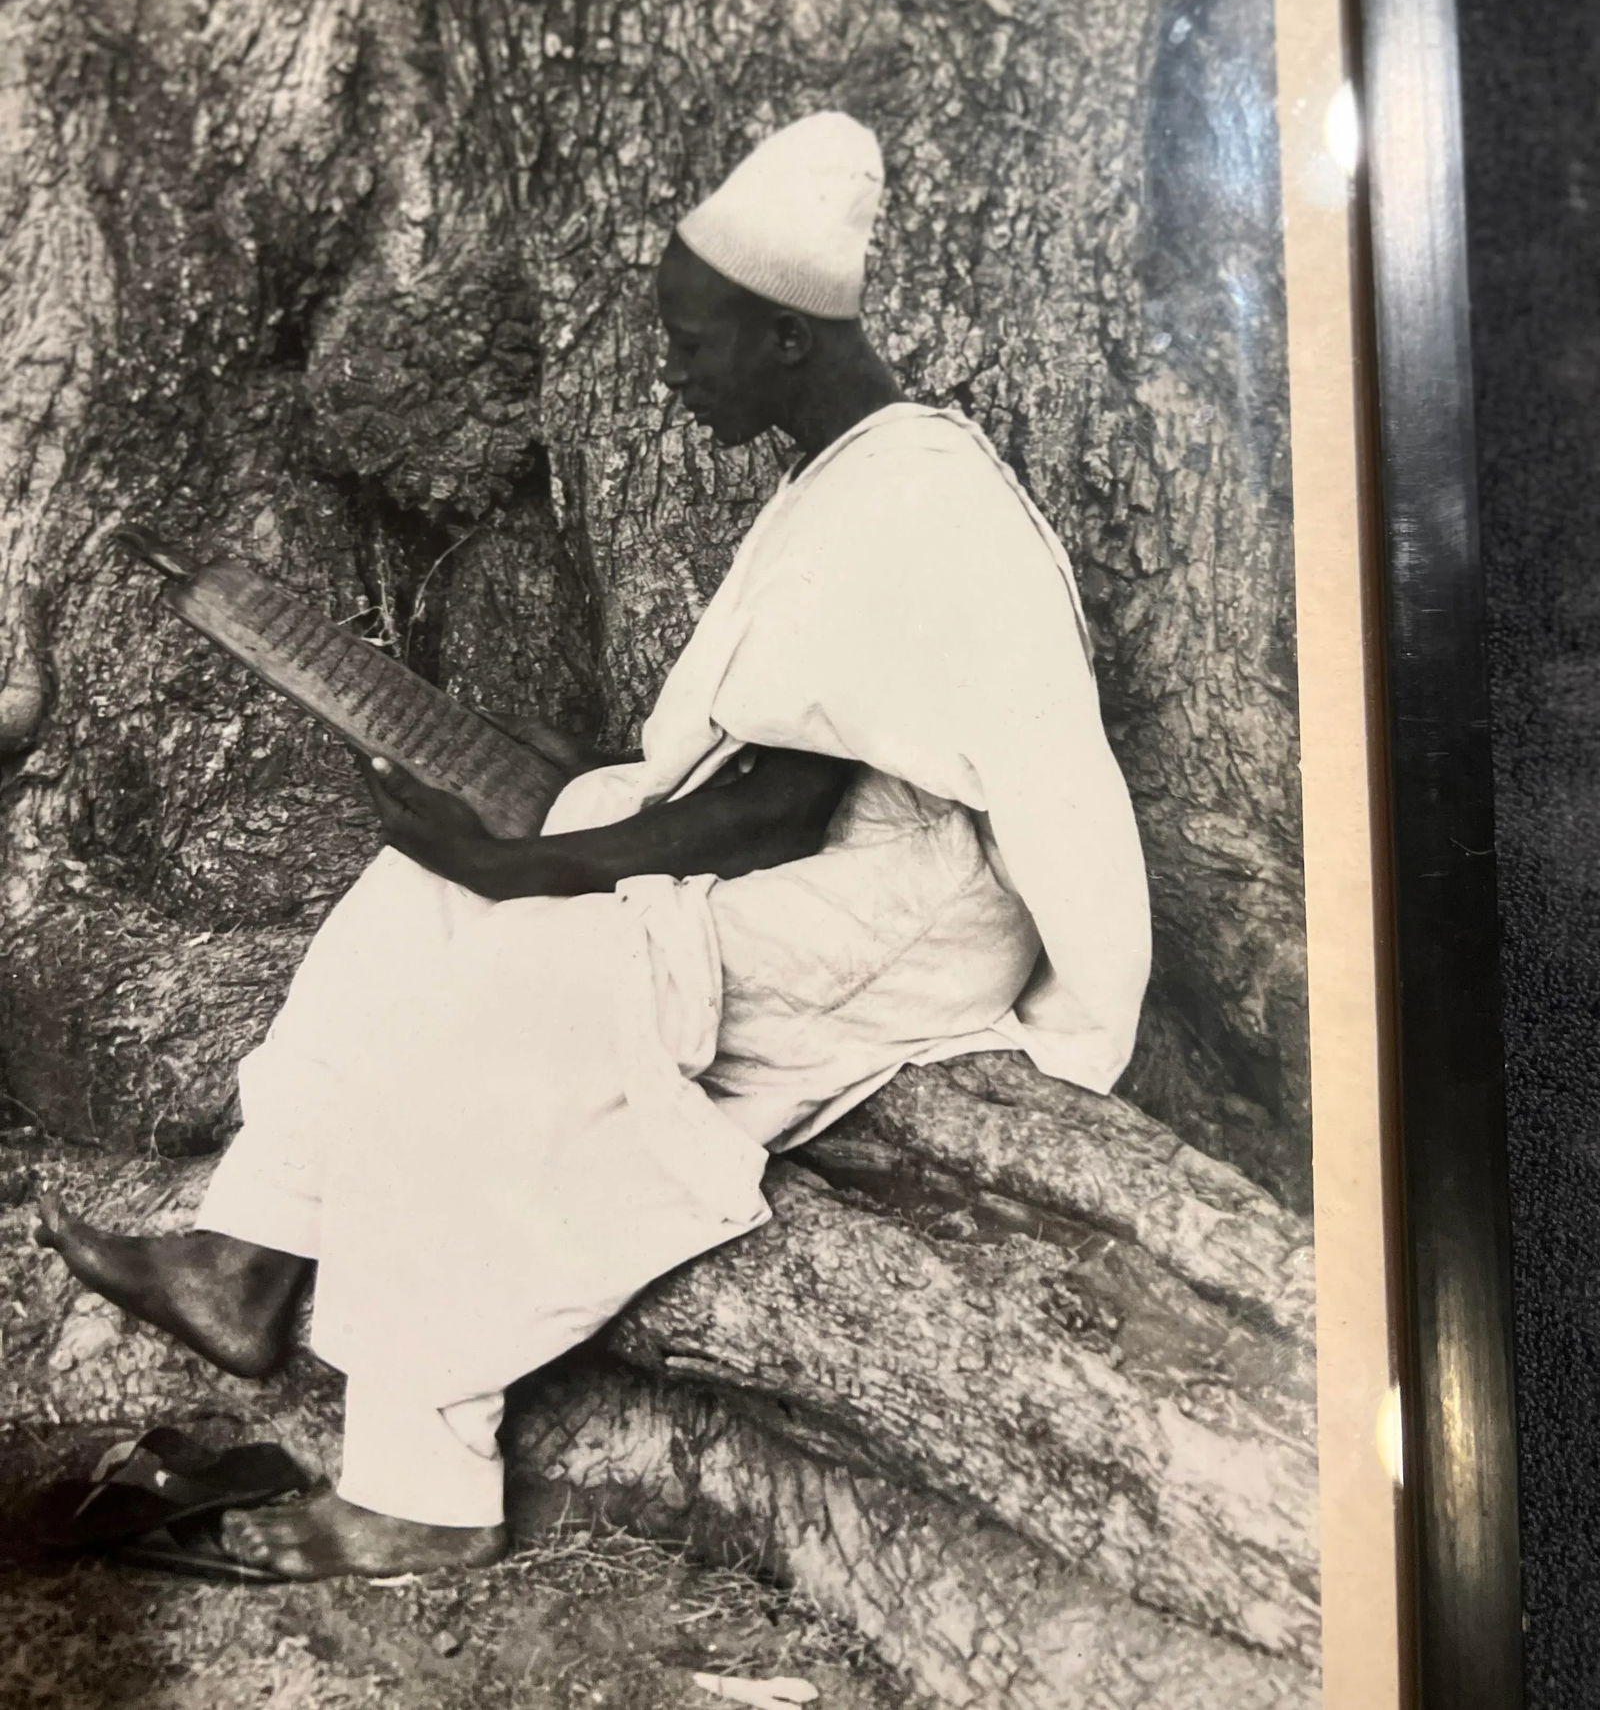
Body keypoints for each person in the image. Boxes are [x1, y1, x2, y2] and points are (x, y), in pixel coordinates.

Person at [38, 109, 1150, 1582]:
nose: (674, 374)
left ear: (792, 344)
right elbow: (753, 759)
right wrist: (533, 809)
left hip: (914, 896)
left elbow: (776, 812)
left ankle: (417, 1484)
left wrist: (525, 869)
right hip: (821, 834)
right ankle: (251, 1249)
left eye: (696, 344)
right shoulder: (848, 466)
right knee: (413, 887)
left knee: (522, 977)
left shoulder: (914, 492)